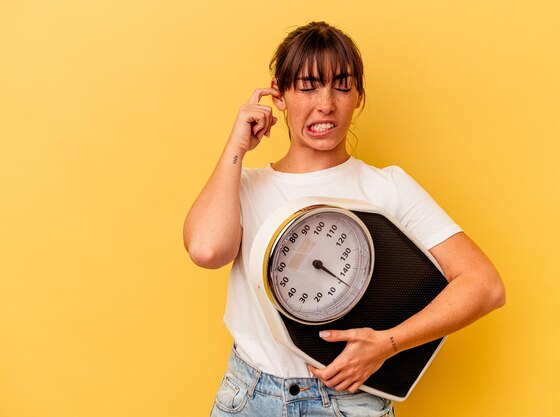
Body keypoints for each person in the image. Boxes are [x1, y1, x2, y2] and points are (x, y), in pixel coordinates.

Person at [184, 21, 505, 417]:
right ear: (279, 95)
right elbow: (206, 249)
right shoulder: (244, 186)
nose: (326, 104)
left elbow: (485, 286)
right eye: (307, 85)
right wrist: (236, 145)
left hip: (350, 404)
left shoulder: (386, 188)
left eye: (341, 85)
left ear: (358, 96)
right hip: (249, 397)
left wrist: (389, 344)